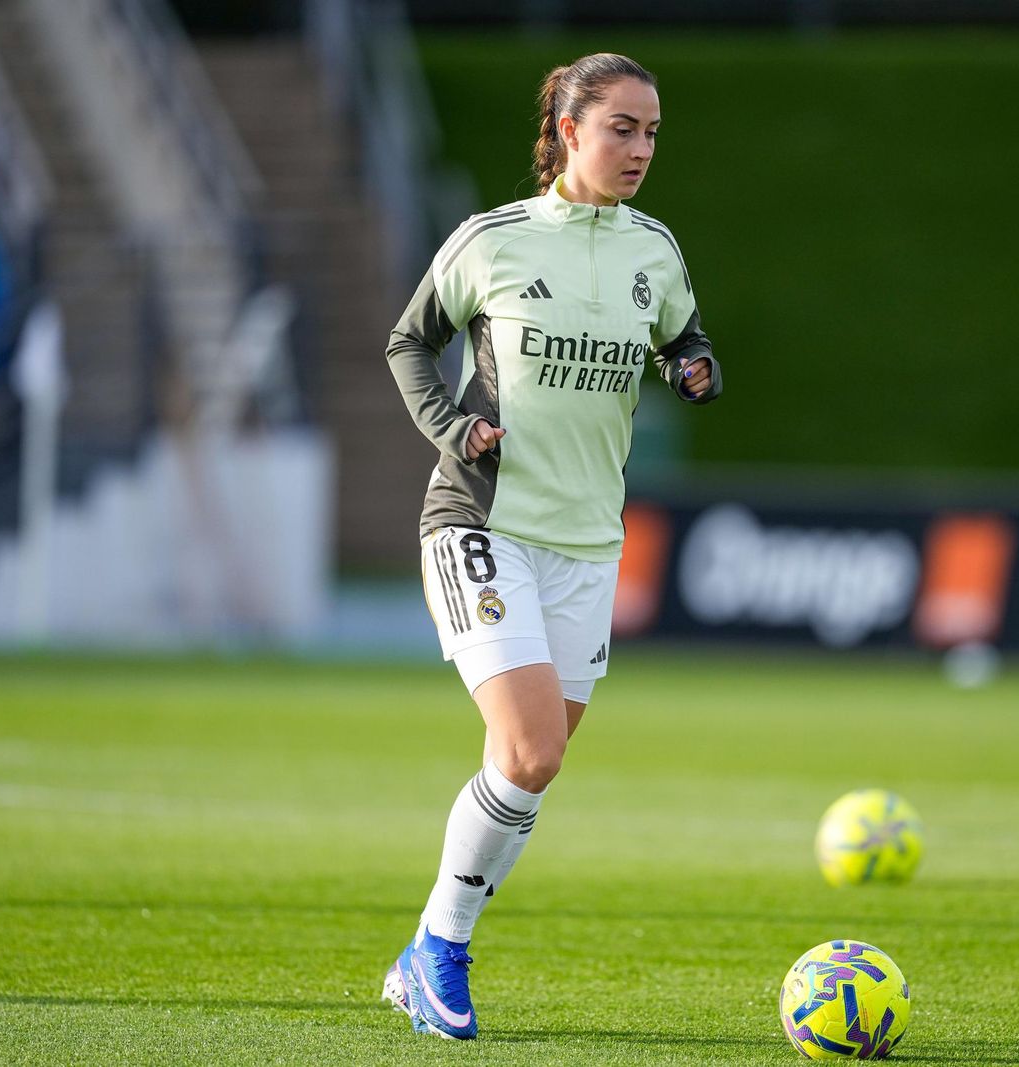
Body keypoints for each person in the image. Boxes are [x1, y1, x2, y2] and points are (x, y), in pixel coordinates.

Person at [380, 53, 722, 1040]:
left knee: (535, 761)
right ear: (568, 129)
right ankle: (443, 949)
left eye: (652, 132)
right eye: (622, 127)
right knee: (527, 746)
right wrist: (452, 427)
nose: (641, 149)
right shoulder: (491, 239)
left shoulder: (652, 250)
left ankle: (422, 947)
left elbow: (683, 340)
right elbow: (409, 342)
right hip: (482, 523)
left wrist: (694, 368)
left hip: (587, 539)